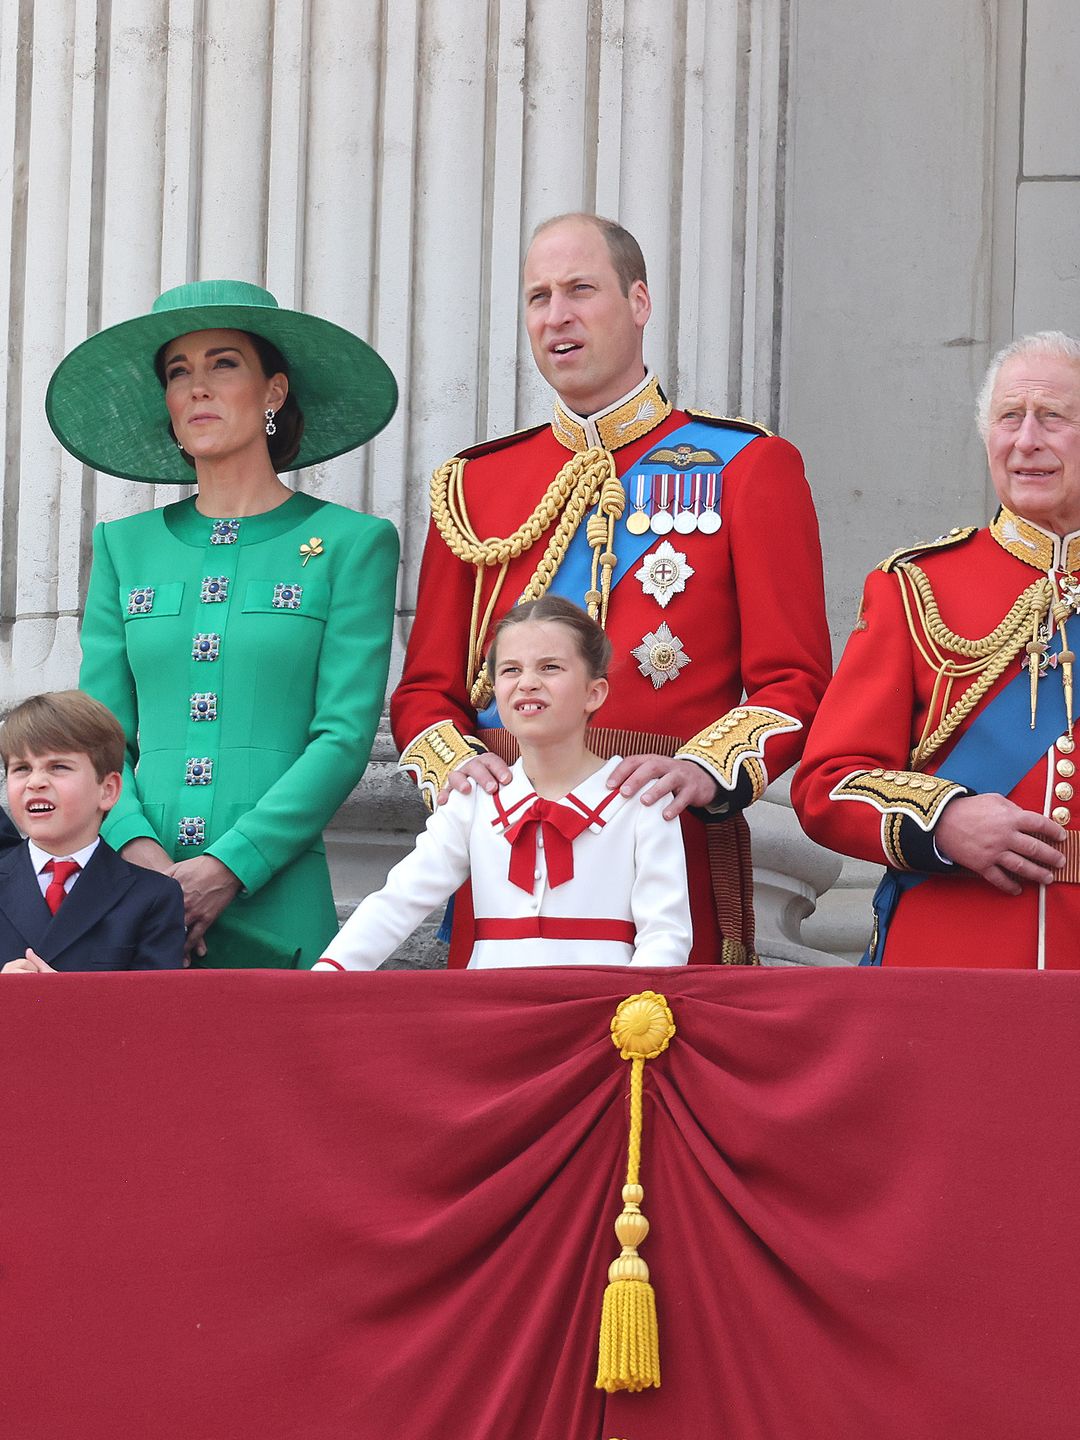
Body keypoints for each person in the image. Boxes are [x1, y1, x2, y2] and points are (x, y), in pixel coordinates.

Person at [392, 213, 831, 966]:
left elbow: (792, 681)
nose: (556, 316)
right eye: (538, 297)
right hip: (506, 849)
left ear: (639, 303)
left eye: (580, 290)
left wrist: (701, 771)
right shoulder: (477, 486)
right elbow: (425, 692)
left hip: (665, 840)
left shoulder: (748, 467)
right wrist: (458, 768)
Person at [45, 280, 400, 968]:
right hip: (131, 896)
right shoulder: (124, 546)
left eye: (223, 363)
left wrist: (228, 865)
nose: (198, 387)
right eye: (179, 373)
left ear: (274, 391)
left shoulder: (353, 544)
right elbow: (98, 739)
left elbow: (343, 736)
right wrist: (142, 857)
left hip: (277, 898)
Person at [792, 331, 1080, 969]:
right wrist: (943, 823)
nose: (1026, 440)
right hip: (949, 956)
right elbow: (826, 786)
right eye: (1009, 418)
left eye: (1053, 418)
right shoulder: (915, 587)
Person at [315, 596, 690, 971]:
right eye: (511, 670)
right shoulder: (473, 799)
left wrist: (626, 1016)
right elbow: (397, 902)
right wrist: (327, 976)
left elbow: (665, 935)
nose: (528, 683)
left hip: (601, 1016)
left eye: (550, 667)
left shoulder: (641, 800)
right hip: (490, 1016)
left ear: (595, 693)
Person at [0, 691, 185, 972]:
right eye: (22, 768)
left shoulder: (153, 897)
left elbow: (154, 1010)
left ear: (108, 790)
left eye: (58, 767)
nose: (35, 782)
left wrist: (67, 1000)